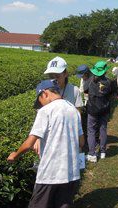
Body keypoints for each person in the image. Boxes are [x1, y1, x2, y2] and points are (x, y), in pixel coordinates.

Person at [7, 79, 84, 208]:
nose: (40, 105)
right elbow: (81, 142)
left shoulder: (46, 111)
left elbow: (29, 144)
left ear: (44, 93)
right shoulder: (73, 110)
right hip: (71, 172)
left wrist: (15, 155)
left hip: (50, 173)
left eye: (39, 101)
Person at [85, 61, 112, 163]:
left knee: (91, 130)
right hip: (104, 109)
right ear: (105, 71)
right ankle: (103, 152)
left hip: (92, 109)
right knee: (103, 129)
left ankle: (92, 154)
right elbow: (111, 94)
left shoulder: (90, 81)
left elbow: (85, 91)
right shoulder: (109, 82)